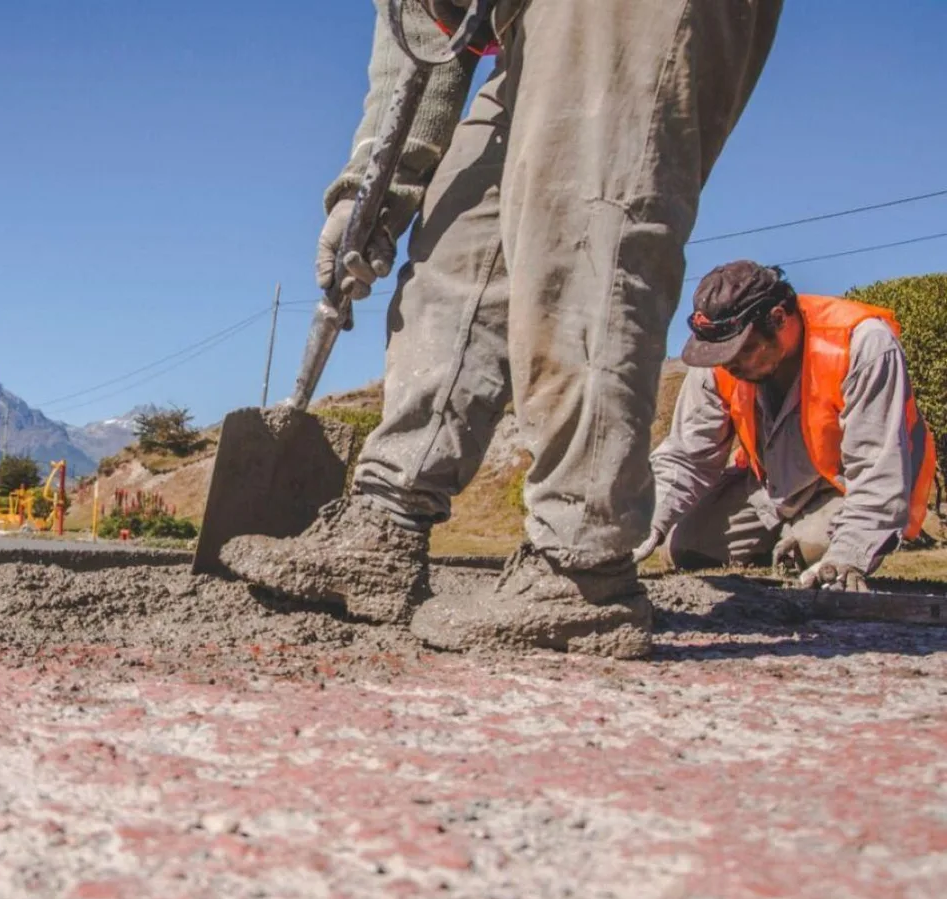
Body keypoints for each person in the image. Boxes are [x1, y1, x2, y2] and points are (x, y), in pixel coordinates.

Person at [218, 0, 783, 659]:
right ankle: (384, 524)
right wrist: (374, 185)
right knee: (458, 232)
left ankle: (583, 569)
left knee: (582, 218)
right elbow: (422, 28)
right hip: (524, 21)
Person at [635, 261, 937, 592]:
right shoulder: (721, 364)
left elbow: (877, 471)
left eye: (744, 350)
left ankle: (809, 541)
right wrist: (639, 523)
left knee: (811, 548)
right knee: (684, 545)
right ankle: (788, 536)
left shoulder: (862, 345)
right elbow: (686, 457)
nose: (730, 364)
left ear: (779, 318)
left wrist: (848, 557)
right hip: (771, 489)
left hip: (844, 489)